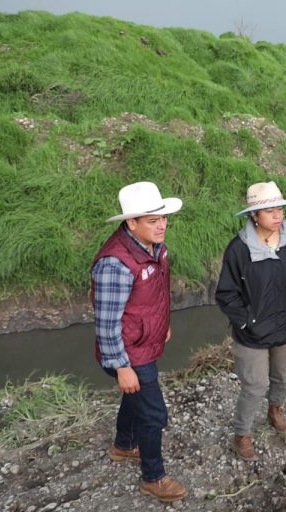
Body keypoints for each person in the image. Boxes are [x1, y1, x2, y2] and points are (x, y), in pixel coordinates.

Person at [91, 181, 188, 503]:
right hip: (128, 351)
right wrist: (122, 367)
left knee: (135, 400)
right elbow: (106, 324)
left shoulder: (155, 248)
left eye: (162, 218)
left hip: (145, 340)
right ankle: (153, 477)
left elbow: (156, 295)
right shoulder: (115, 264)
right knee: (153, 413)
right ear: (131, 222)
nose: (161, 225)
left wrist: (165, 324)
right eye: (152, 220)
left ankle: (123, 445)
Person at [215, 181, 286, 462]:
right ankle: (243, 434)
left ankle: (276, 409)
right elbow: (226, 294)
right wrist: (247, 322)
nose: (277, 216)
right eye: (269, 211)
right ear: (253, 216)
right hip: (252, 334)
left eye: (280, 209)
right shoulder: (238, 250)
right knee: (254, 385)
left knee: (282, 375)